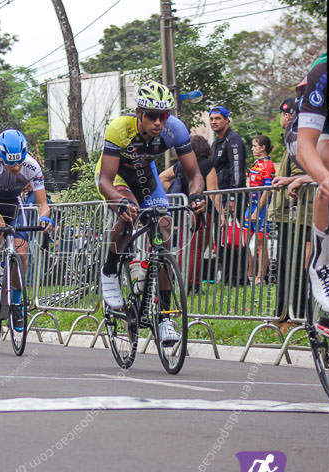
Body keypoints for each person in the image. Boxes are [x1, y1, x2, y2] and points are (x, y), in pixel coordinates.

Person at [96, 81, 206, 345]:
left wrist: (197, 196)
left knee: (164, 228)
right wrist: (119, 202)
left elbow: (194, 175)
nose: (158, 122)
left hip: (145, 175)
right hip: (116, 177)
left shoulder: (175, 129)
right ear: (139, 113)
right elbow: (105, 182)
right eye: (152, 116)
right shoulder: (119, 129)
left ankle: (164, 317)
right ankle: (110, 271)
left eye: (163, 115)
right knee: (130, 211)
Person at [0, 128, 53, 331]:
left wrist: (44, 217)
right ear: (1, 156)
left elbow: (43, 204)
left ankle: (17, 302)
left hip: (13, 204)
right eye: (10, 163)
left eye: (19, 162)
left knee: (22, 252)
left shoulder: (32, 166)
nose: (16, 167)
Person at [294, 51, 329, 313]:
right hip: (314, 134)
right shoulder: (325, 70)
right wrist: (324, 177)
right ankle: (322, 263)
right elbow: (306, 145)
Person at [272, 95, 313, 321]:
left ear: (287, 115)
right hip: (289, 215)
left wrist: (287, 181)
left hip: (296, 214)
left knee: (294, 268)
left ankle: (292, 316)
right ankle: (282, 315)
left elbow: (305, 176)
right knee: (286, 267)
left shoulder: (299, 139)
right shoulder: (293, 138)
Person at [159, 134, 218, 290]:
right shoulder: (207, 164)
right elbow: (213, 191)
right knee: (197, 251)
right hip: (201, 210)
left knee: (184, 249)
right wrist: (222, 214)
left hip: (183, 210)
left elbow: (162, 177)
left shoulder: (180, 165)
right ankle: (192, 284)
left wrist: (172, 191)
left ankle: (175, 280)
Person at [244, 135, 276, 284]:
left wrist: (257, 211)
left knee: (260, 245)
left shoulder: (268, 165)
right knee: (245, 240)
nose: (252, 148)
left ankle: (259, 277)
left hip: (262, 208)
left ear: (263, 148)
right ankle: (249, 275)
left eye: (255, 145)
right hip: (251, 205)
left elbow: (267, 190)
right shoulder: (257, 162)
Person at [210, 105, 247, 191]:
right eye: (211, 119)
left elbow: (237, 169)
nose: (214, 122)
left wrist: (233, 196)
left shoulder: (233, 139)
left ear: (227, 120)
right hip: (219, 192)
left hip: (231, 194)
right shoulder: (216, 142)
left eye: (217, 118)